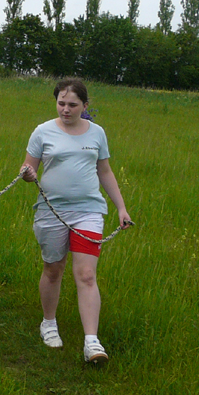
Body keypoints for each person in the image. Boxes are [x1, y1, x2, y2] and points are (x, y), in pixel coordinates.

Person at [19, 78, 132, 365]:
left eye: (72, 105)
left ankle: (91, 342)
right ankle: (49, 322)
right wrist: (28, 174)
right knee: (53, 269)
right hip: (51, 211)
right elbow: (28, 167)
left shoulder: (97, 133)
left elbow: (104, 171)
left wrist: (121, 208)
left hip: (88, 212)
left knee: (86, 275)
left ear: (85, 105)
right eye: (61, 103)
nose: (66, 109)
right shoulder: (42, 132)